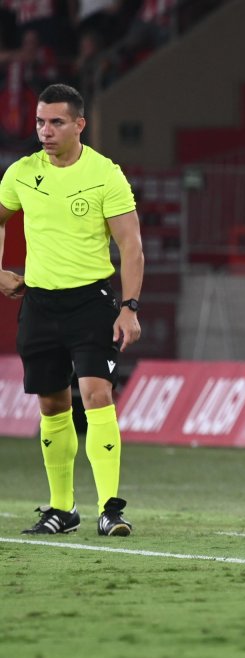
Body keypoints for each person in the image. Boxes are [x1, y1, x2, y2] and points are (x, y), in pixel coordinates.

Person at [0, 83, 141, 536]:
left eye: (56, 122)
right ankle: (63, 509)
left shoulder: (106, 175)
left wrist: (131, 307)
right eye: (40, 121)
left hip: (90, 303)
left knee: (97, 395)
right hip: (39, 304)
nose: (45, 130)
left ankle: (110, 509)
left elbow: (131, 247)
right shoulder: (21, 173)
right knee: (52, 405)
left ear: (79, 124)